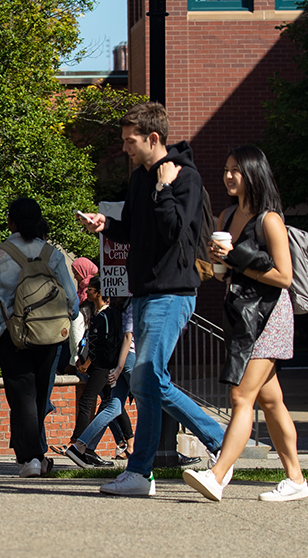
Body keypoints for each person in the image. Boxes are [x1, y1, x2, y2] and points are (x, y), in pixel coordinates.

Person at [76, 101, 227, 497]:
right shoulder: (140, 179)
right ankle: (142, 473)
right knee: (147, 384)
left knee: (146, 378)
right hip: (143, 291)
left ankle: (217, 441)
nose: (125, 148)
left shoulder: (184, 177)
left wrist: (164, 187)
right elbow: (137, 232)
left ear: (153, 138)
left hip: (172, 292)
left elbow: (173, 231)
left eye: (130, 141)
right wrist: (106, 224)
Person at [183, 145, 307, 502]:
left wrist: (237, 258)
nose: (228, 175)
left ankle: (218, 475)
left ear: (253, 173)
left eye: (235, 169)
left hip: (271, 316)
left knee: (241, 396)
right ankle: (296, 480)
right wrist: (218, 262)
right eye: (225, 169)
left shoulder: (270, 220)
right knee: (271, 402)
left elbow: (284, 277)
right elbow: (227, 274)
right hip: (242, 314)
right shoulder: (226, 216)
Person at [0, 198, 80, 477]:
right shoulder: (53, 254)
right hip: (50, 335)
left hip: (11, 336)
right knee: (39, 397)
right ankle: (37, 456)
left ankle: (31, 459)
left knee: (22, 396)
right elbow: (72, 301)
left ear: (10, 221)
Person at [66, 297, 136, 467]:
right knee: (155, 399)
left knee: (113, 405)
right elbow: (128, 336)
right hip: (130, 358)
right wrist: (119, 367)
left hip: (123, 358)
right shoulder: (134, 302)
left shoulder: (120, 305)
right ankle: (156, 452)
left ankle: (81, 446)